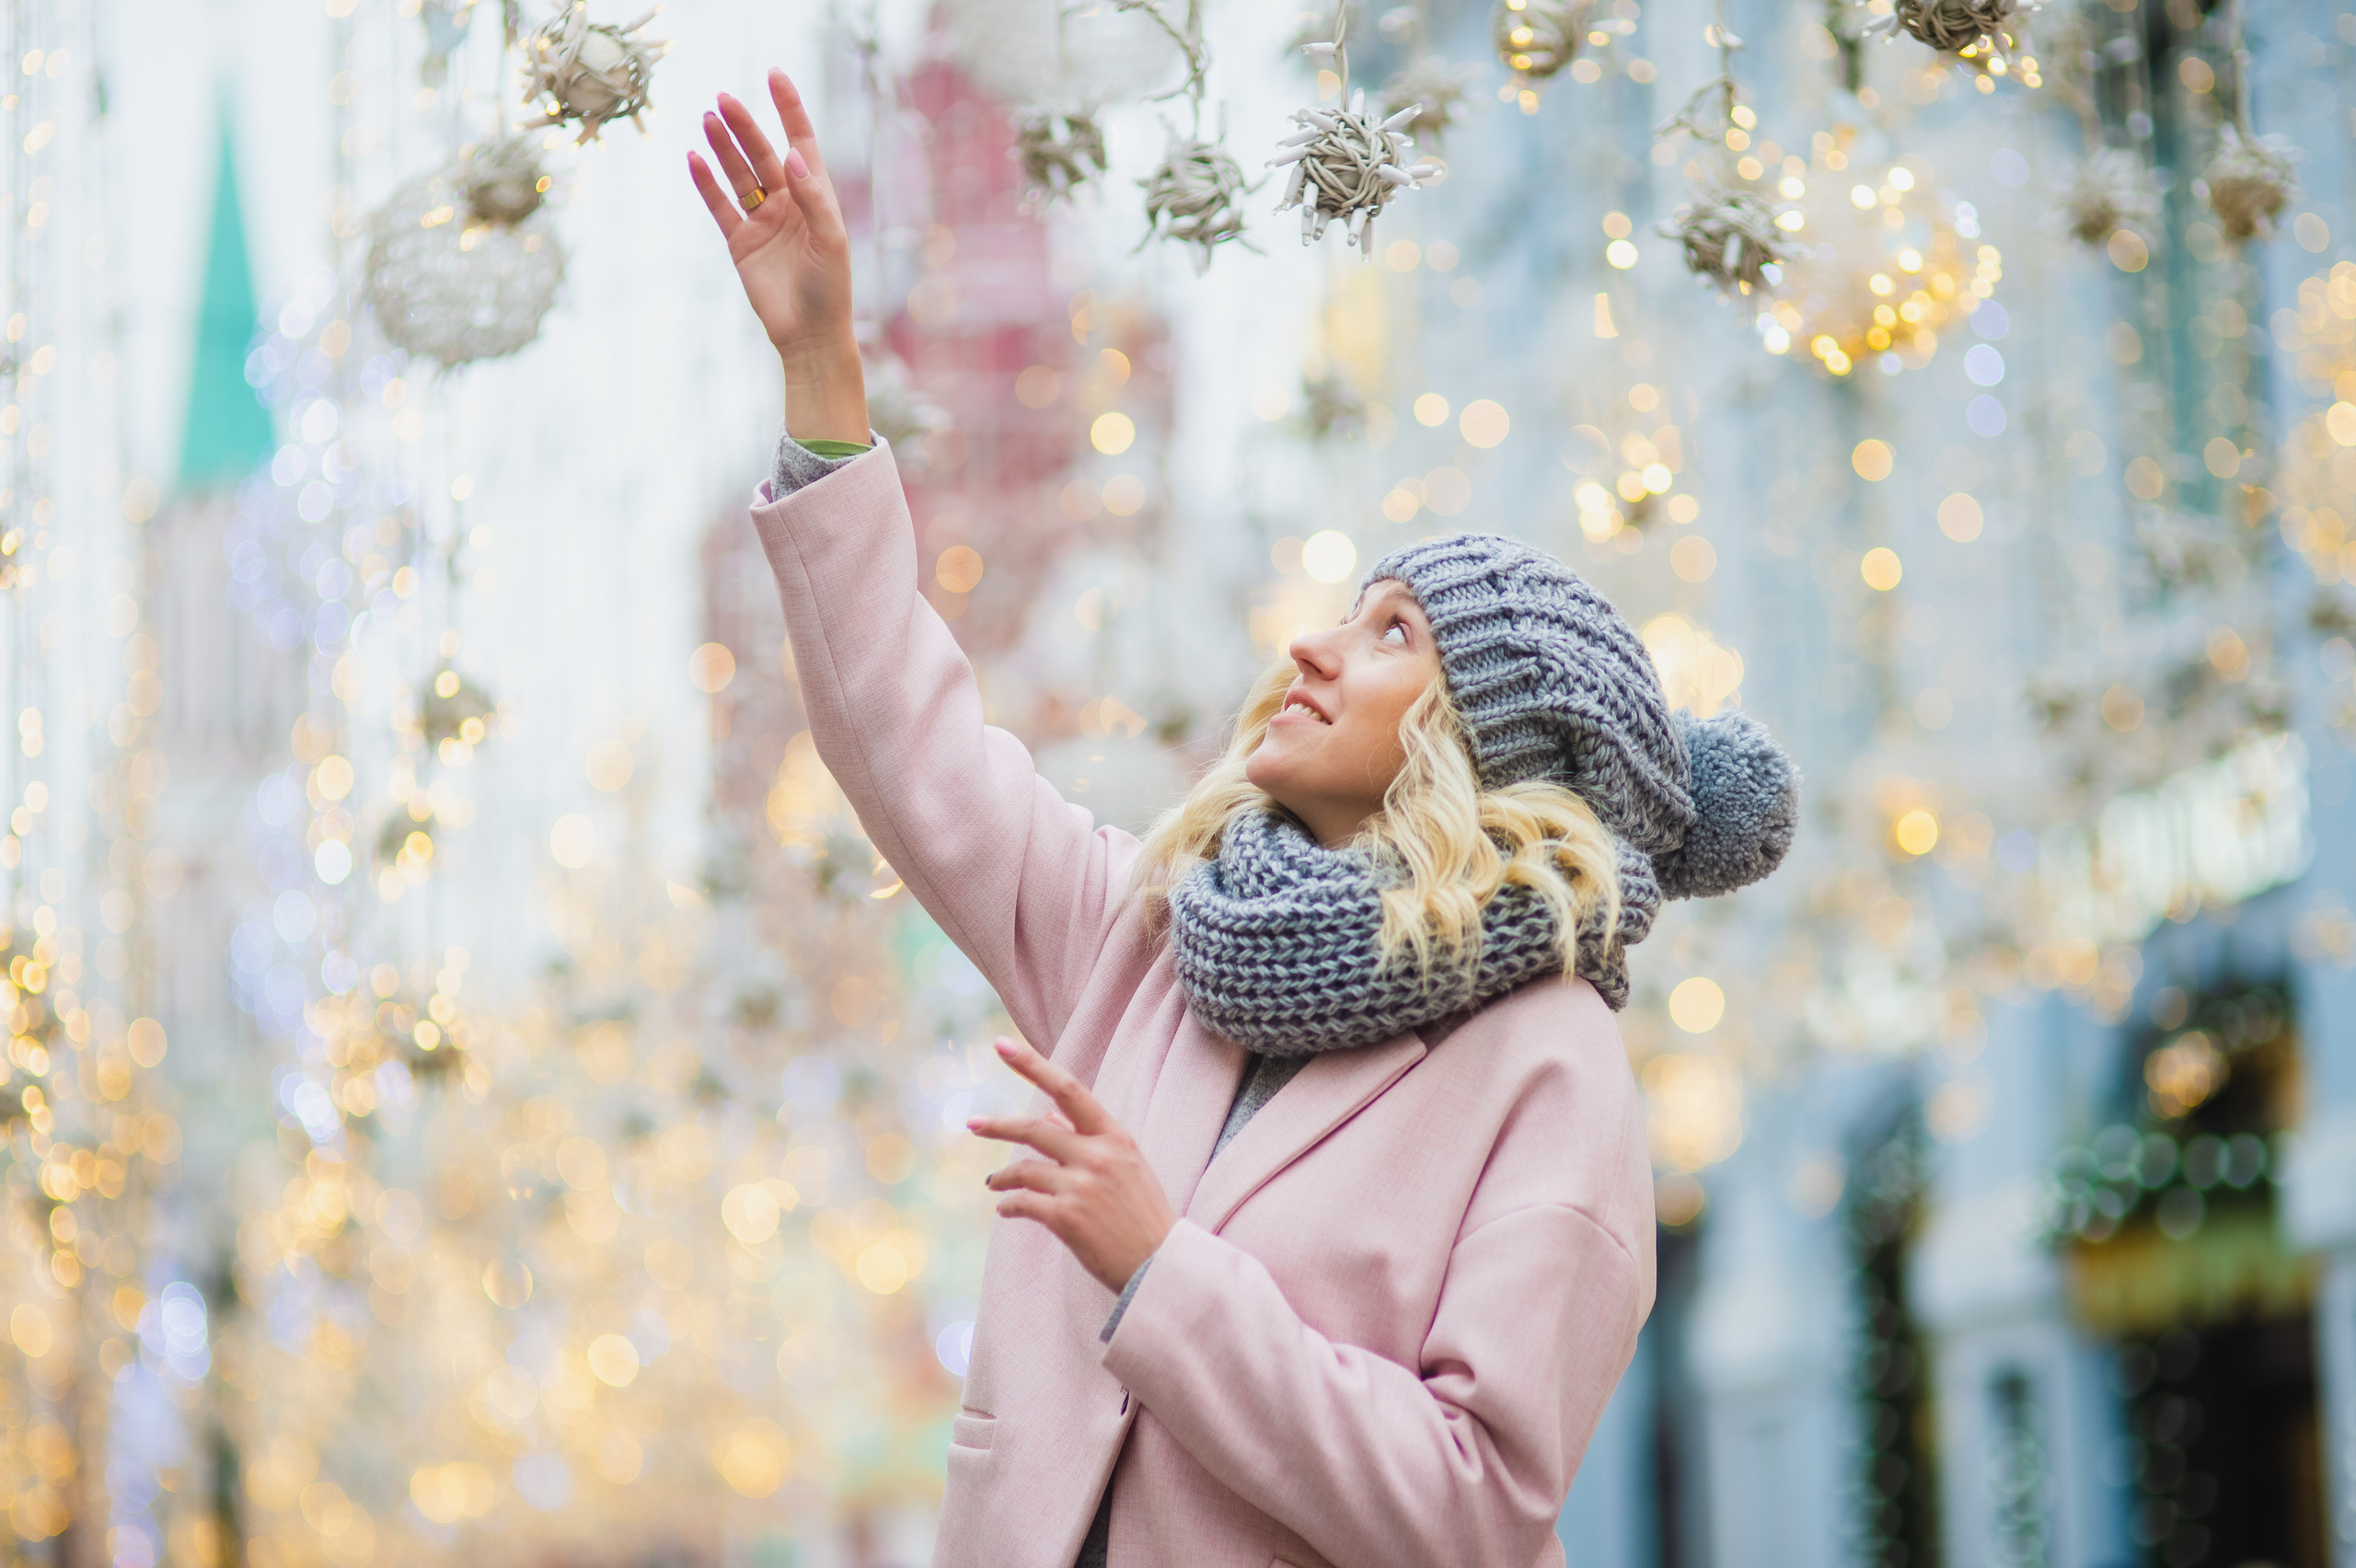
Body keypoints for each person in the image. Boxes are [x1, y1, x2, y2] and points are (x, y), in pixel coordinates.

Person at [688, 72, 1800, 1568]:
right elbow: (904, 741)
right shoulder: (1152, 935)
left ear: (1487, 748)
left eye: (1396, 634)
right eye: (1348, 611)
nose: (1315, 648)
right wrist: (823, 369)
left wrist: (1162, 1270)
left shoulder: (1551, 1063)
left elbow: (1474, 1506)